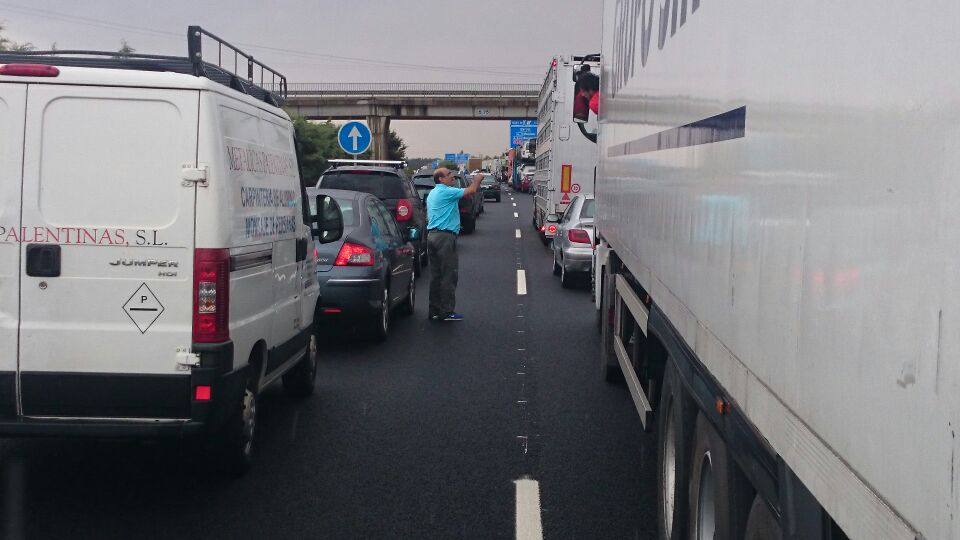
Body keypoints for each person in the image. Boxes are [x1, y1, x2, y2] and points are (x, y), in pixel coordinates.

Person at [425, 168, 483, 321]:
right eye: (449, 175)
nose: (452, 176)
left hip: (432, 235)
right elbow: (471, 190)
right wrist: (477, 179)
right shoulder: (446, 192)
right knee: (448, 275)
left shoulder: (433, 193)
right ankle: (446, 311)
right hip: (445, 236)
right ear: (441, 179)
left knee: (436, 276)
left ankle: (434, 310)